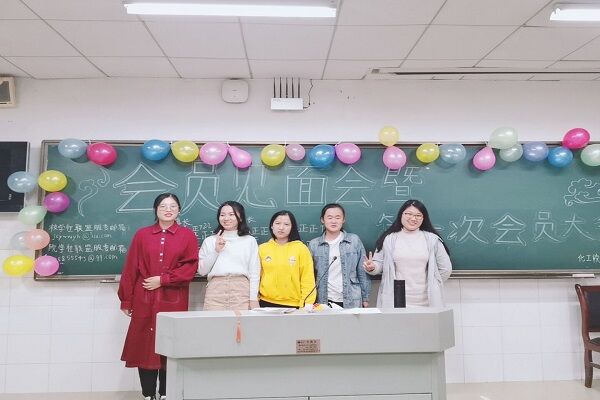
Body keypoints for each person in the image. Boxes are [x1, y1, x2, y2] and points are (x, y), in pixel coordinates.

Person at [118, 193, 199, 400]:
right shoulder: (142, 235)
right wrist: (126, 299)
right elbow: (130, 268)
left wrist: (163, 280)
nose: (168, 210)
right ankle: (148, 395)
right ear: (156, 209)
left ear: (179, 210)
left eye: (173, 206)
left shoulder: (187, 235)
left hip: (174, 297)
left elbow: (190, 268)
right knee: (144, 345)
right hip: (144, 297)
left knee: (169, 344)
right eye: (163, 206)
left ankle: (165, 393)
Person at [363, 199, 452, 308]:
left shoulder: (432, 240)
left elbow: (446, 269)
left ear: (423, 218)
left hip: (427, 300)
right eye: (409, 214)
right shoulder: (389, 239)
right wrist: (372, 267)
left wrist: (433, 284)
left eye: (418, 215)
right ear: (401, 215)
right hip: (396, 299)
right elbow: (378, 264)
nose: (413, 218)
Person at [198, 201, 260, 310]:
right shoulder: (210, 241)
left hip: (241, 290)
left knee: (241, 321)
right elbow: (202, 271)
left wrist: (253, 298)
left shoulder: (249, 240)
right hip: (215, 291)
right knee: (212, 321)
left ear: (240, 218)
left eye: (231, 214)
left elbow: (254, 272)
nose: (226, 218)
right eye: (222, 215)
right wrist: (216, 251)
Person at [308, 203, 371, 308]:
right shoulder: (314, 244)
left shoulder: (354, 241)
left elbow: (362, 271)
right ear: (322, 220)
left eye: (338, 217)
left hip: (351, 298)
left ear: (343, 220)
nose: (334, 221)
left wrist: (365, 298)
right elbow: (309, 275)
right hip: (323, 299)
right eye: (330, 217)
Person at [258, 210, 316, 308]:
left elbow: (307, 278)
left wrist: (307, 303)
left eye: (286, 224)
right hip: (265, 303)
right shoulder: (262, 249)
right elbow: (256, 277)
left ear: (292, 227)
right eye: (277, 223)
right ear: (272, 226)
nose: (281, 227)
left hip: (293, 305)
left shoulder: (301, 248)